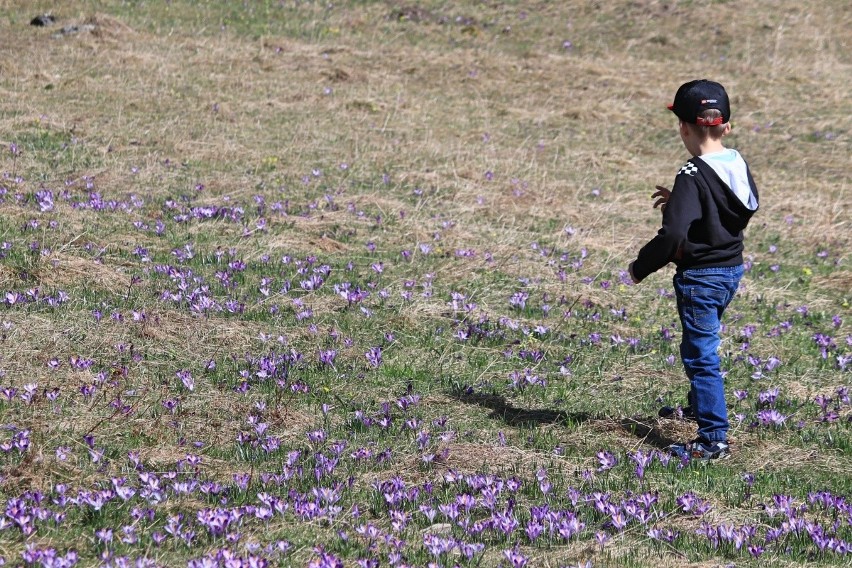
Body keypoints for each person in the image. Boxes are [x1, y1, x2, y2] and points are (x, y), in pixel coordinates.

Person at [628, 79, 759, 461]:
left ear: (684, 127)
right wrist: (685, 202)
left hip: (700, 278)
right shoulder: (736, 163)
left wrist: (641, 266)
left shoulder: (692, 173)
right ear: (726, 127)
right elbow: (738, 208)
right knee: (702, 346)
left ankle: (713, 438)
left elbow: (672, 237)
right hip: (730, 271)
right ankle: (697, 409)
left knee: (701, 355)